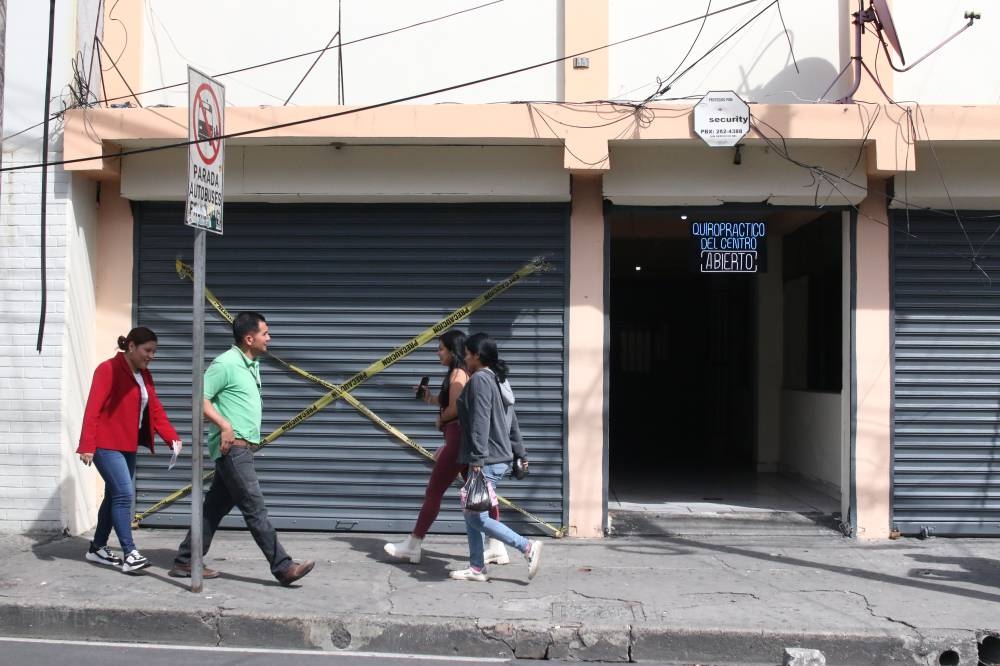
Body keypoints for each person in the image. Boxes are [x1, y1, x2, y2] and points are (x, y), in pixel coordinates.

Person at [169, 312, 315, 586]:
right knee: (255, 508)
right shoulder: (225, 364)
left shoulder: (251, 364)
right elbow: (199, 399)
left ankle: (185, 559)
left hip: (242, 449)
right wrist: (224, 425)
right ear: (250, 338)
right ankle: (283, 568)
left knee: (212, 510)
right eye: (265, 333)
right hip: (232, 449)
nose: (269, 338)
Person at [383, 330, 508, 565]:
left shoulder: (459, 373)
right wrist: (430, 398)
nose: (437, 353)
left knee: (434, 492)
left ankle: (413, 544)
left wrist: (441, 419)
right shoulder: (456, 373)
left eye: (441, 348)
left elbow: (458, 409)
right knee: (481, 494)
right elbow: (451, 402)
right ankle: (497, 545)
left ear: (453, 351)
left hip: (457, 440)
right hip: (457, 440)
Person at [78, 327, 181, 574]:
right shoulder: (108, 369)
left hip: (126, 444)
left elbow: (155, 410)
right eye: (148, 350)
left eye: (154, 352)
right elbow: (93, 408)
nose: (151, 356)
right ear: (132, 346)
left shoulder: (144, 375)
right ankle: (130, 553)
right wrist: (87, 445)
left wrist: (172, 438)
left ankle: (97, 548)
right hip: (105, 444)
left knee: (114, 495)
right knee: (124, 494)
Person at [450, 333, 542, 582]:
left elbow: (480, 421)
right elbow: (512, 421)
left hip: (486, 459)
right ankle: (477, 567)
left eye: (467, 354)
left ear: (477, 356)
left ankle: (526, 546)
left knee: (475, 515)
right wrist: (521, 453)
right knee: (472, 511)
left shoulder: (480, 379)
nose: (465, 359)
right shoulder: (498, 379)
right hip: (495, 457)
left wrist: (477, 460)